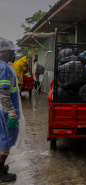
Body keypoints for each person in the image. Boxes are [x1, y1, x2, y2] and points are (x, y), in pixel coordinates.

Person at [0, 37, 21, 182]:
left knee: (2, 140)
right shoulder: (4, 68)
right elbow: (3, 93)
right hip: (4, 111)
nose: (14, 55)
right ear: (5, 52)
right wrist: (12, 113)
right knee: (6, 142)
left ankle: (1, 166)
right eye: (11, 52)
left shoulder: (2, 66)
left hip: (2, 110)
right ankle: (0, 172)